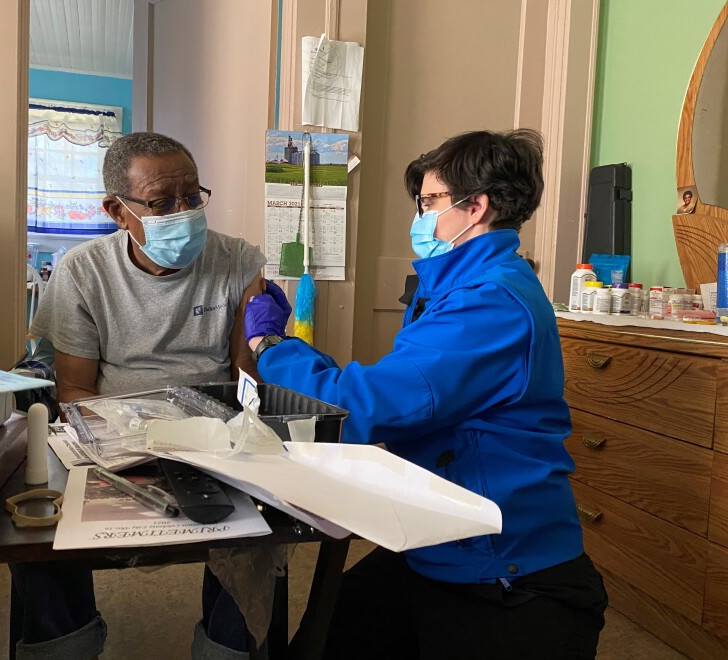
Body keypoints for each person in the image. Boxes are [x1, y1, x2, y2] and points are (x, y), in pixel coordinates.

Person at [244, 129, 608, 659]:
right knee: (331, 631)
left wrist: (271, 347)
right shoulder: (456, 288)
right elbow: (395, 388)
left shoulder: (490, 302)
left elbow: (361, 409)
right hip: (438, 536)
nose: (419, 217)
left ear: (475, 206)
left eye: (430, 203)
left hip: (506, 564)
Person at [11, 132, 267, 660]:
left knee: (265, 533)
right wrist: (121, 449)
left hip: (214, 435)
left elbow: (249, 386)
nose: (184, 212)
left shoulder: (239, 262)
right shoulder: (83, 271)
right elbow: (76, 391)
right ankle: (63, 646)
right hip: (113, 435)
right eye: (162, 202)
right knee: (40, 529)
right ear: (117, 210)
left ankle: (229, 650)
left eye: (193, 196)